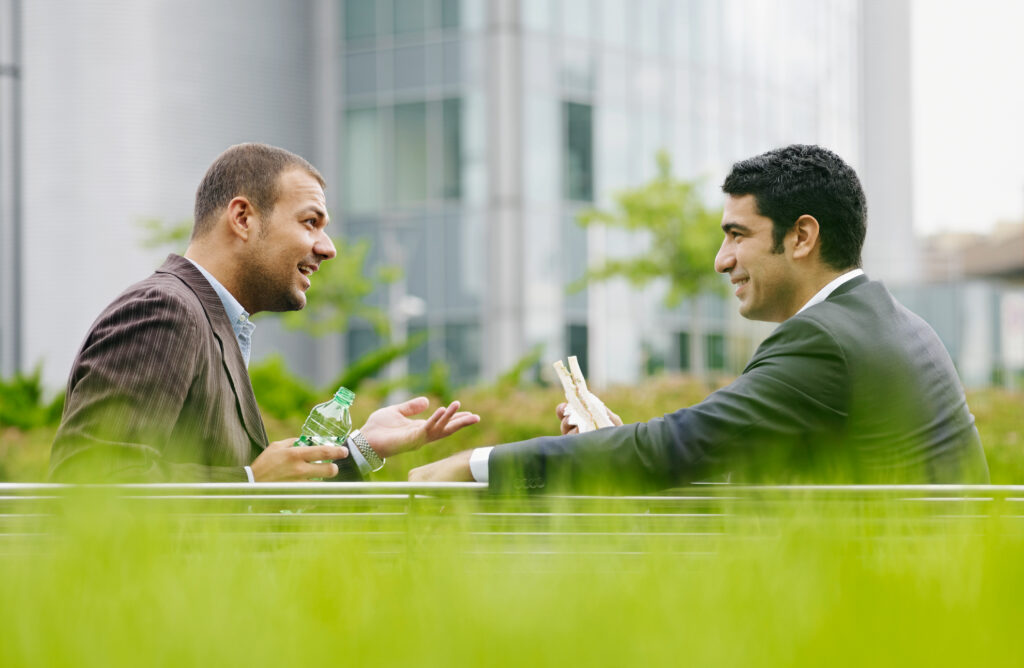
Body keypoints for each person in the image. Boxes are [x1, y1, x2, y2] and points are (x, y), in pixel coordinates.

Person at [410, 144, 989, 492]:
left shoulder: (825, 340)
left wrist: (475, 463)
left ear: (802, 236)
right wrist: (615, 442)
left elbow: (679, 445)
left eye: (737, 235)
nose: (721, 261)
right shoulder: (893, 323)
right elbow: (712, 449)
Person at [50, 143, 479, 483]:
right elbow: (91, 480)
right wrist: (251, 479)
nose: (328, 248)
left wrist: (362, 448)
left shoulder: (209, 320)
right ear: (242, 218)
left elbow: (266, 498)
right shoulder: (165, 312)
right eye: (310, 222)